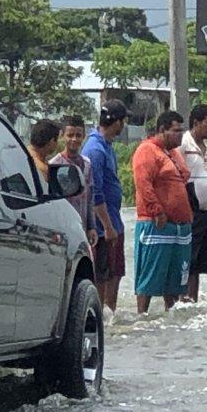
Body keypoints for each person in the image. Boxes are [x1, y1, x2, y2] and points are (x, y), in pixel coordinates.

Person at [131, 111, 192, 313]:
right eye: (176, 131)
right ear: (161, 130)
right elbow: (143, 183)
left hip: (178, 226)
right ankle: (142, 315)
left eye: (182, 131)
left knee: (175, 280)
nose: (180, 136)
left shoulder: (173, 153)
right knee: (149, 276)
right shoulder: (147, 150)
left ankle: (170, 316)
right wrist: (157, 211)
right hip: (156, 223)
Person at [83, 100, 128, 313]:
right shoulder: (95, 149)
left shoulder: (106, 146)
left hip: (113, 221)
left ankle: (110, 316)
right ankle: (98, 316)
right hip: (103, 227)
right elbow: (94, 192)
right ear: (118, 122)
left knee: (115, 273)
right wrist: (107, 226)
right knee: (102, 276)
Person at [181, 104, 207, 303]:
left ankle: (192, 300)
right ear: (196, 123)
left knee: (199, 261)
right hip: (189, 210)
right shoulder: (183, 145)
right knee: (186, 258)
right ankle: (182, 298)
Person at [51, 115, 98, 249]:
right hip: (63, 230)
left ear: (84, 136)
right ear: (62, 136)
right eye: (70, 135)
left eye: (78, 135)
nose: (74, 139)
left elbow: (89, 199)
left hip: (82, 229)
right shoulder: (55, 165)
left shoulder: (87, 164)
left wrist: (92, 227)